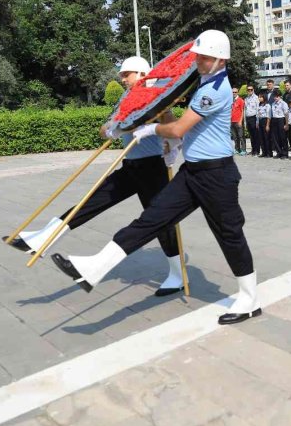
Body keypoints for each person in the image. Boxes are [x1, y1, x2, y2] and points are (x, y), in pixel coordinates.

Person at [50, 30, 260, 325]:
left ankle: (249, 298)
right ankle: (95, 267)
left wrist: (151, 130)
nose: (198, 60)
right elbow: (175, 114)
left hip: (217, 174)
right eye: (197, 55)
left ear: (220, 59)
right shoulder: (203, 83)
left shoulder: (216, 90)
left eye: (204, 56)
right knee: (152, 218)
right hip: (193, 171)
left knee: (229, 233)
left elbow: (177, 129)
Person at [5, 56, 185, 298]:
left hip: (153, 168)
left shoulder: (158, 96)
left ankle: (177, 274)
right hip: (130, 166)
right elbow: (105, 129)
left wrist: (162, 111)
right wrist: (114, 128)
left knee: (161, 221)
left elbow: (173, 126)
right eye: (122, 74)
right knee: (89, 201)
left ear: (142, 74)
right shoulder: (125, 98)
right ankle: (42, 240)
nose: (122, 78)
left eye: (127, 74)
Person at [269, 89, 289, 159]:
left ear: (280, 96)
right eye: (274, 96)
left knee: (283, 137)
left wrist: (286, 124)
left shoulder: (284, 104)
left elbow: (286, 114)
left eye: (277, 96)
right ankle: (279, 152)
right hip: (274, 120)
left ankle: (285, 153)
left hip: (281, 119)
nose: (275, 98)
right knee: (276, 138)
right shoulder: (273, 104)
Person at [244, 85, 260, 156]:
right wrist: (245, 121)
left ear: (253, 90)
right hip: (248, 118)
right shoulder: (246, 99)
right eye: (248, 90)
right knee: (251, 135)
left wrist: (257, 120)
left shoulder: (256, 98)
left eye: (251, 89)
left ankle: (257, 150)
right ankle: (253, 149)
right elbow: (245, 110)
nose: (250, 91)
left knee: (256, 135)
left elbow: (257, 109)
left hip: (254, 117)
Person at [230, 87, 246, 155]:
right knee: (235, 137)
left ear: (238, 92)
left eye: (235, 92)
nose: (234, 93)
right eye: (233, 92)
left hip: (238, 121)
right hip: (232, 121)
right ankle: (237, 149)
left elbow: (242, 111)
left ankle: (243, 150)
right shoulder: (231, 100)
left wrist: (240, 121)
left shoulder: (240, 100)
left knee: (241, 136)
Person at [257, 92, 272, 157]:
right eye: (259, 97)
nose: (259, 98)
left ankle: (269, 153)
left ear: (264, 98)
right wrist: (257, 122)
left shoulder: (267, 105)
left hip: (265, 121)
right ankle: (264, 152)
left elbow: (269, 116)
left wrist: (267, 125)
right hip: (260, 121)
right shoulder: (259, 105)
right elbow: (258, 115)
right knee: (261, 137)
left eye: (261, 97)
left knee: (267, 138)